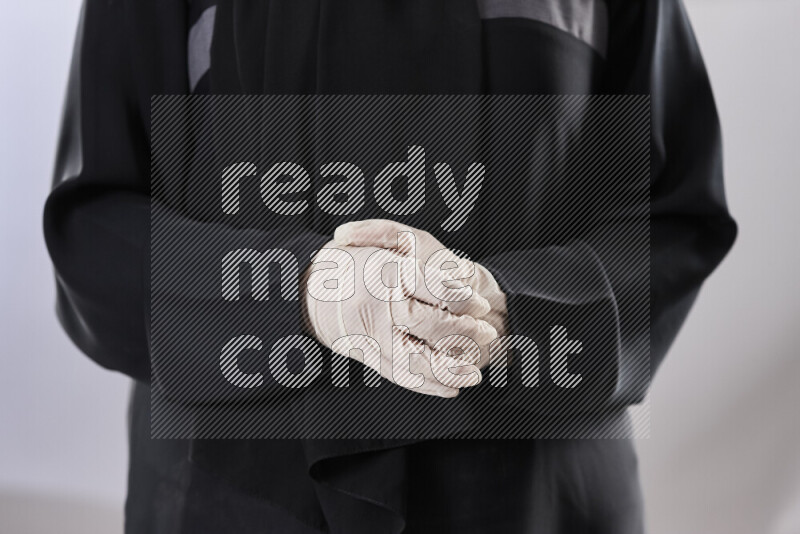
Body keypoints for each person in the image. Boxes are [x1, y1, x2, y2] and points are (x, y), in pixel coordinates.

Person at [44, 1, 736, 532]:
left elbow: (670, 211)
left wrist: (513, 308)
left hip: (536, 497)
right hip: (242, 496)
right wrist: (308, 291)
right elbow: (97, 232)